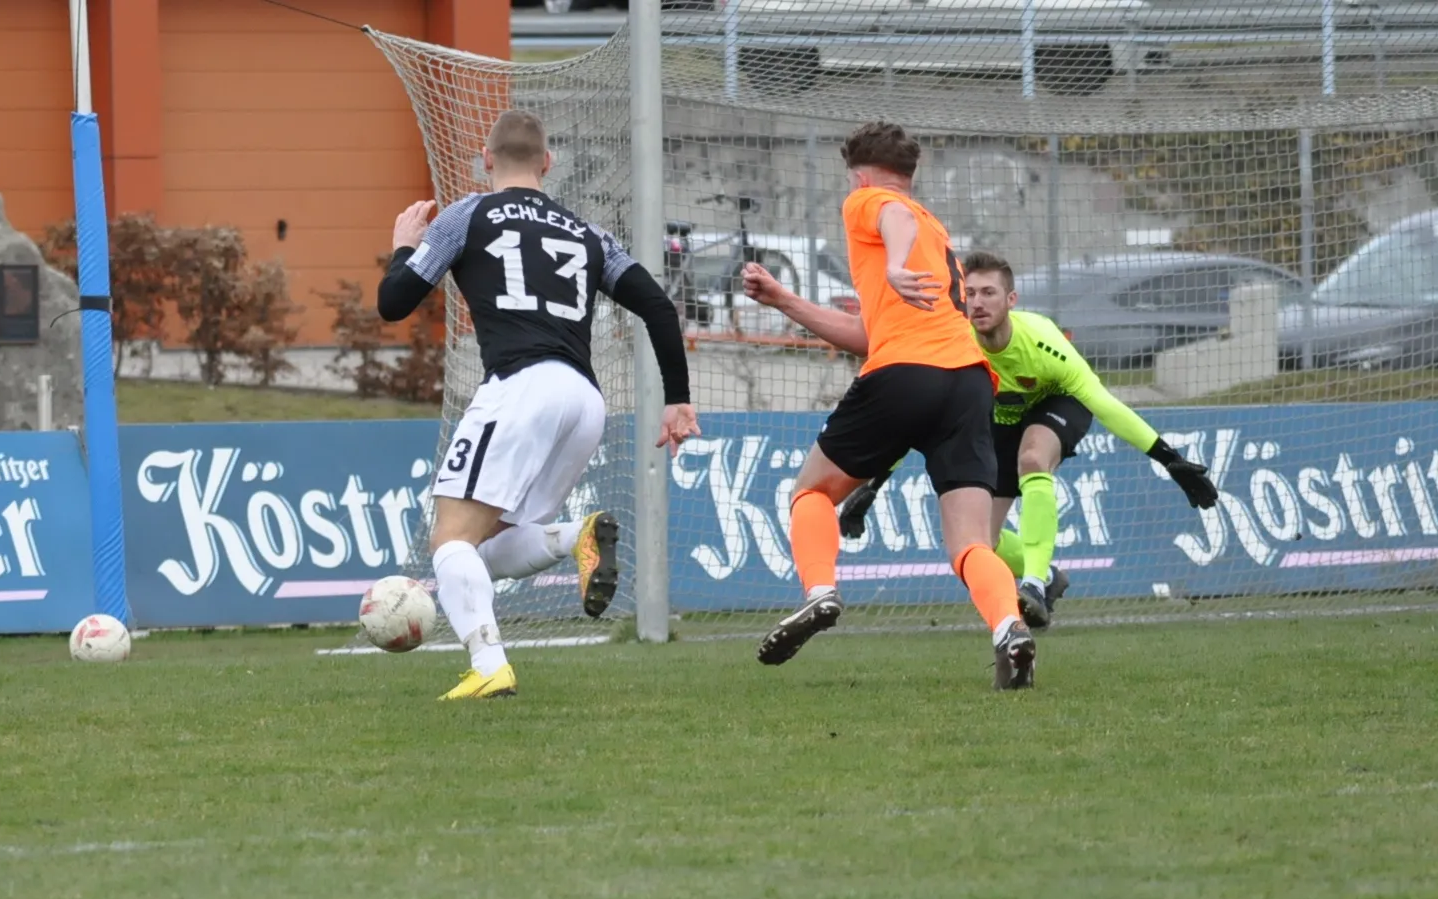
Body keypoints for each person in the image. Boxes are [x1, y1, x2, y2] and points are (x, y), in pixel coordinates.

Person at [377, 109, 699, 700]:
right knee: (488, 546)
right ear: (547, 163)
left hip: (521, 388)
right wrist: (677, 398)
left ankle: (489, 665)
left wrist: (403, 247)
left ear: (486, 159)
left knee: (450, 542)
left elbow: (394, 302)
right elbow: (657, 305)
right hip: (583, 401)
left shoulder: (467, 215)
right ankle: (575, 536)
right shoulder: (588, 233)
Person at [766, 250, 1220, 630]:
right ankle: (1048, 575)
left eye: (989, 293)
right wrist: (872, 487)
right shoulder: (957, 346)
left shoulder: (1043, 341)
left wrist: (1169, 459)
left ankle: (1034, 584)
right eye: (970, 294)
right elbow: (916, 421)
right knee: (980, 543)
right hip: (1000, 418)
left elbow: (1104, 403)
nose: (977, 303)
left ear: (1011, 299)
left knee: (1033, 458)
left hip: (1056, 405)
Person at [745, 121, 1037, 691]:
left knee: (812, 491)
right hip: (968, 382)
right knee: (971, 543)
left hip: (905, 375)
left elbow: (891, 217)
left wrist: (897, 263)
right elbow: (868, 334)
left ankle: (820, 592)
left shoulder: (871, 203)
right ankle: (1009, 628)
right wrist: (783, 300)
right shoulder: (935, 229)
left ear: (859, 175)